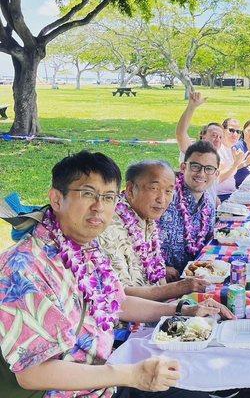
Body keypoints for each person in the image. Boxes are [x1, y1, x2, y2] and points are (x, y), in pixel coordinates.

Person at [0, 151, 232, 398]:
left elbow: (117, 302)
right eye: (88, 194)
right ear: (57, 199)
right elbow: (32, 374)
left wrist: (183, 311)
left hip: (107, 375)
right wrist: (130, 375)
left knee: (207, 375)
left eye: (108, 197)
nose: (99, 207)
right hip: (71, 391)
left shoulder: (85, 245)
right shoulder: (24, 267)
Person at [99, 160, 211, 301]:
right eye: (154, 189)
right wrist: (180, 288)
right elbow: (121, 295)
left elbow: (158, 275)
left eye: (169, 191)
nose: (162, 199)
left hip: (156, 306)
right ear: (130, 189)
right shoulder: (111, 226)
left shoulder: (147, 217)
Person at [174, 92, 250, 203]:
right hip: (190, 210)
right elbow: (180, 133)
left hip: (210, 211)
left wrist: (218, 204)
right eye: (214, 135)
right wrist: (191, 107)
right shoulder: (193, 150)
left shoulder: (215, 157)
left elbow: (211, 187)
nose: (217, 140)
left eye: (220, 137)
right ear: (203, 135)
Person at [158, 141, 219, 274]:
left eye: (209, 168)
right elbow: (138, 236)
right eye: (196, 166)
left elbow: (208, 243)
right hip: (157, 280)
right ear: (183, 167)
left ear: (216, 174)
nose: (201, 174)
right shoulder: (165, 195)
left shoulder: (208, 204)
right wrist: (160, 268)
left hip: (194, 276)